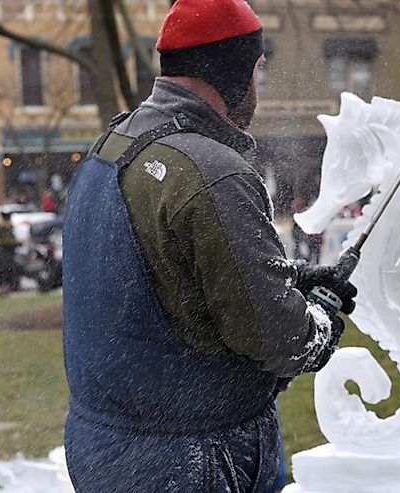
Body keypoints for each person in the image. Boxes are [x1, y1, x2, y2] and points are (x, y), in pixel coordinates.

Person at [61, 1, 357, 491]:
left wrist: (295, 279)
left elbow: (160, 275)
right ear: (235, 69)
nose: (259, 88)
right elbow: (281, 339)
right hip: (191, 454)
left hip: (102, 443)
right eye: (258, 69)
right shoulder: (213, 171)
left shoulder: (111, 145)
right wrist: (320, 317)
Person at [0, 212, 19, 297]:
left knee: (5, 273)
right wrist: (17, 242)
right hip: (4, 257)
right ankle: (3, 290)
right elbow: (8, 241)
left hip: (6, 256)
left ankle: (4, 290)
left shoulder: (5, 228)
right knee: (4, 273)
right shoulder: (4, 228)